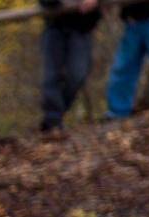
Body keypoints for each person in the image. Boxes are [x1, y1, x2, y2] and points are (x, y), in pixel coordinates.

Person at [37, 0, 101, 132]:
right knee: (51, 76)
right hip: (55, 26)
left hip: (82, 26)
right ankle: (52, 120)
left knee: (78, 74)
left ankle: (57, 113)